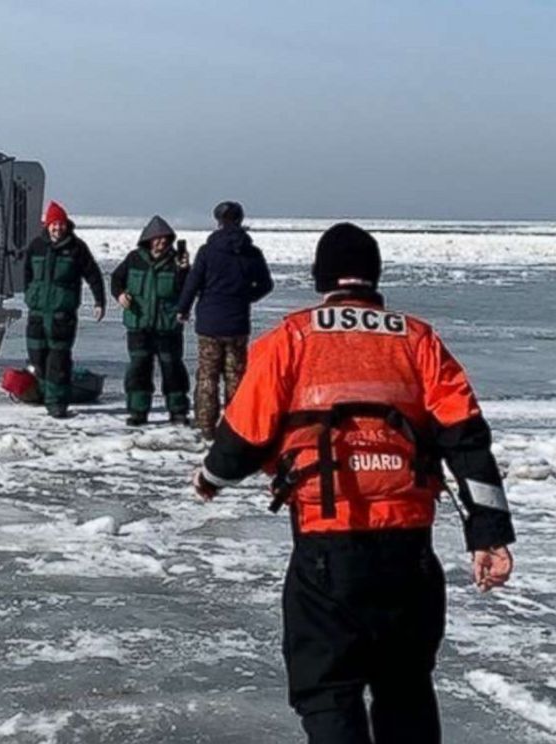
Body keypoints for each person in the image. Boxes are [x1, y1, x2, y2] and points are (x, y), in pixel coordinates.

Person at [191, 223, 515, 743]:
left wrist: (211, 477)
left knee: (328, 689)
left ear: (323, 279)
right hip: (408, 548)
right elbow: (467, 439)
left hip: (327, 543)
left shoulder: (290, 338)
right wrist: (490, 533)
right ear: (374, 277)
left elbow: (244, 435)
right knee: (405, 685)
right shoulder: (418, 339)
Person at [177, 201, 273, 439]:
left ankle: (206, 425)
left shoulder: (208, 252)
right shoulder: (251, 253)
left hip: (210, 322)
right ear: (240, 220)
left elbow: (193, 282)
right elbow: (266, 285)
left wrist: (183, 308)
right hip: (237, 323)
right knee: (236, 376)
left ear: (218, 221)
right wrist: (244, 298)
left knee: (208, 375)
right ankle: (235, 425)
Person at [23, 200, 105, 418]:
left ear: (66, 225)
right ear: (47, 225)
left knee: (57, 360)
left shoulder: (76, 248)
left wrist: (99, 302)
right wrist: (31, 295)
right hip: (38, 312)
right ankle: (43, 392)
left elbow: (93, 275)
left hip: (62, 314)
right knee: (37, 357)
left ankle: (57, 403)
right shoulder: (36, 246)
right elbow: (27, 274)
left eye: (61, 224)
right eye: (54, 224)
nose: (57, 228)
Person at [111, 216, 191, 426]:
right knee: (139, 369)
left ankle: (178, 411)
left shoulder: (176, 261)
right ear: (148, 239)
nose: (161, 242)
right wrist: (120, 295)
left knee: (172, 369)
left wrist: (184, 271)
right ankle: (138, 411)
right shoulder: (134, 259)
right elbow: (116, 279)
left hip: (168, 327)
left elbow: (187, 290)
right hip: (139, 326)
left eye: (165, 239)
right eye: (157, 239)